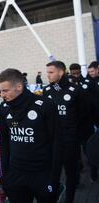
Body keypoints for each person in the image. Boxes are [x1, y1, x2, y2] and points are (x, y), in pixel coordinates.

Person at [0, 68, 61, 203]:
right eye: (0, 90)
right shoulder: (3, 109)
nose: (1, 94)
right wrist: (6, 175)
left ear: (19, 87)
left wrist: (54, 178)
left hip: (42, 174)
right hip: (16, 175)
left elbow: (57, 143)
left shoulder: (45, 105)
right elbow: (4, 143)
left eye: (5, 90)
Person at [43, 61, 88, 203]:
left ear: (60, 72)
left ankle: (70, 199)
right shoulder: (47, 91)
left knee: (71, 173)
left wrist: (77, 137)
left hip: (70, 141)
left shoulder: (76, 90)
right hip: (52, 142)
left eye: (51, 72)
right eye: (47, 72)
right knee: (53, 173)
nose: (48, 75)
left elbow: (84, 116)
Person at [68, 63, 97, 182]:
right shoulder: (66, 86)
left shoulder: (88, 84)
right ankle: (78, 172)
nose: (75, 75)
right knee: (74, 153)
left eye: (77, 73)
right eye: (73, 73)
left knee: (88, 149)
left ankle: (93, 172)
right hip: (73, 126)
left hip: (86, 124)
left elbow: (93, 103)